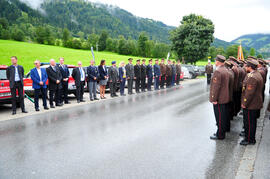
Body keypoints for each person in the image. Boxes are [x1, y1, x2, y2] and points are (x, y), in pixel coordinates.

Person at [240, 58, 263, 145]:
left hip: (251, 104)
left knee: (249, 122)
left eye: (246, 65)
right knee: (252, 122)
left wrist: (244, 103)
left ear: (250, 67)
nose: (245, 67)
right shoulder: (256, 74)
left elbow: (249, 93)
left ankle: (249, 139)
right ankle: (251, 138)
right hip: (254, 103)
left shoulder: (252, 77)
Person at [209, 55, 230, 140]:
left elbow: (216, 87)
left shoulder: (218, 71)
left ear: (218, 61)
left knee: (219, 118)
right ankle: (221, 132)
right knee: (223, 117)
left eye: (215, 60)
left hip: (219, 99)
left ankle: (220, 135)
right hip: (224, 97)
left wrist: (214, 99)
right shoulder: (225, 70)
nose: (215, 62)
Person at [224, 61, 234, 131]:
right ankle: (227, 127)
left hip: (226, 96)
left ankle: (226, 128)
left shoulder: (227, 73)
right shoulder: (231, 72)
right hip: (229, 95)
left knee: (225, 114)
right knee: (227, 113)